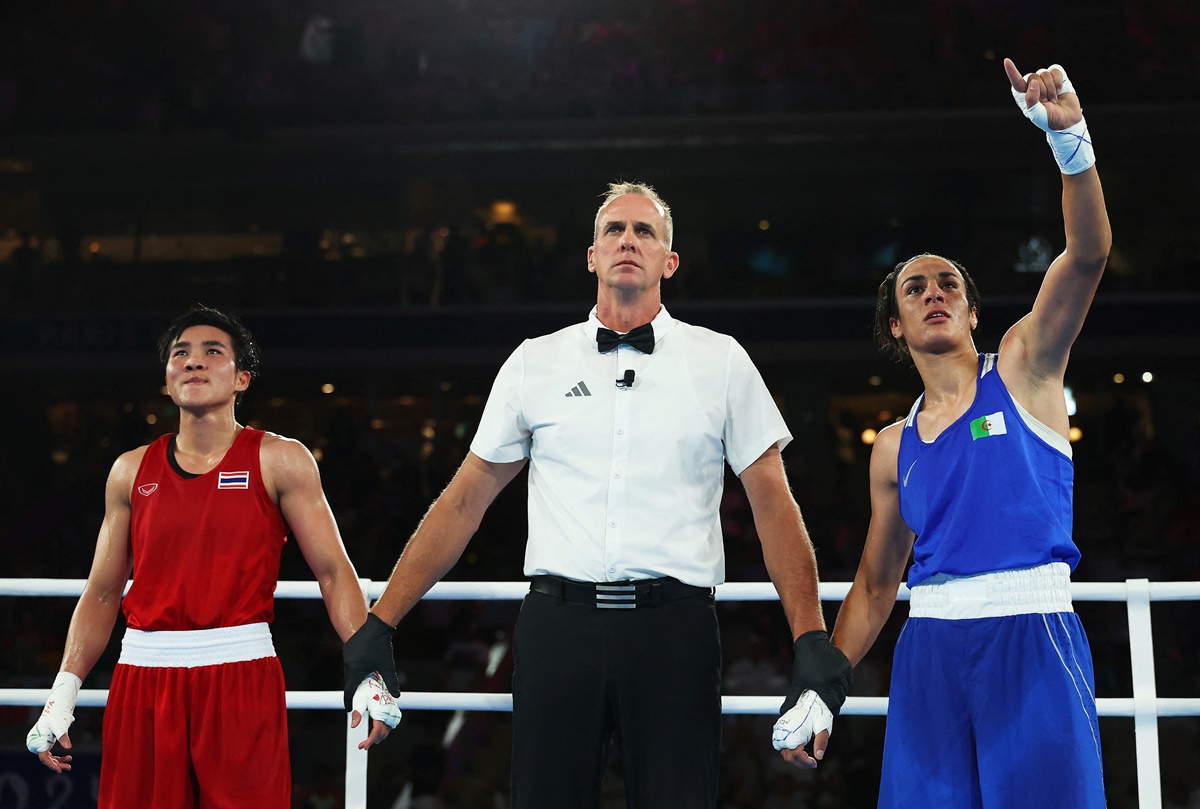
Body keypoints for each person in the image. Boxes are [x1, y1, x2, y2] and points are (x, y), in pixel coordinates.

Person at [342, 182, 853, 808]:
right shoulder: (535, 361)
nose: (627, 241)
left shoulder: (721, 360)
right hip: (560, 627)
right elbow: (463, 499)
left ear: (669, 262)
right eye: (614, 229)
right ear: (591, 255)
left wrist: (810, 639)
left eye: (645, 231)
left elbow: (773, 503)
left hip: (675, 630)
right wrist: (380, 622)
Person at [824, 59, 1111, 807]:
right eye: (914, 288)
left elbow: (1086, 256)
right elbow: (877, 583)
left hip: (1032, 632)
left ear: (974, 311)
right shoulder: (892, 445)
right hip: (931, 650)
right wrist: (823, 686)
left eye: (949, 282)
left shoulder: (1024, 367)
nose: (934, 293)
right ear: (897, 324)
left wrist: (1069, 140)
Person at [26, 304, 401, 808]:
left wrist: (367, 670)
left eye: (212, 352)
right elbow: (103, 590)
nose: (194, 362)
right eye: (181, 353)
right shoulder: (129, 470)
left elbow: (334, 573)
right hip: (143, 677)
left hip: (240, 672)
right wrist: (63, 693)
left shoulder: (279, 458)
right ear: (166, 378)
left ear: (242, 377)